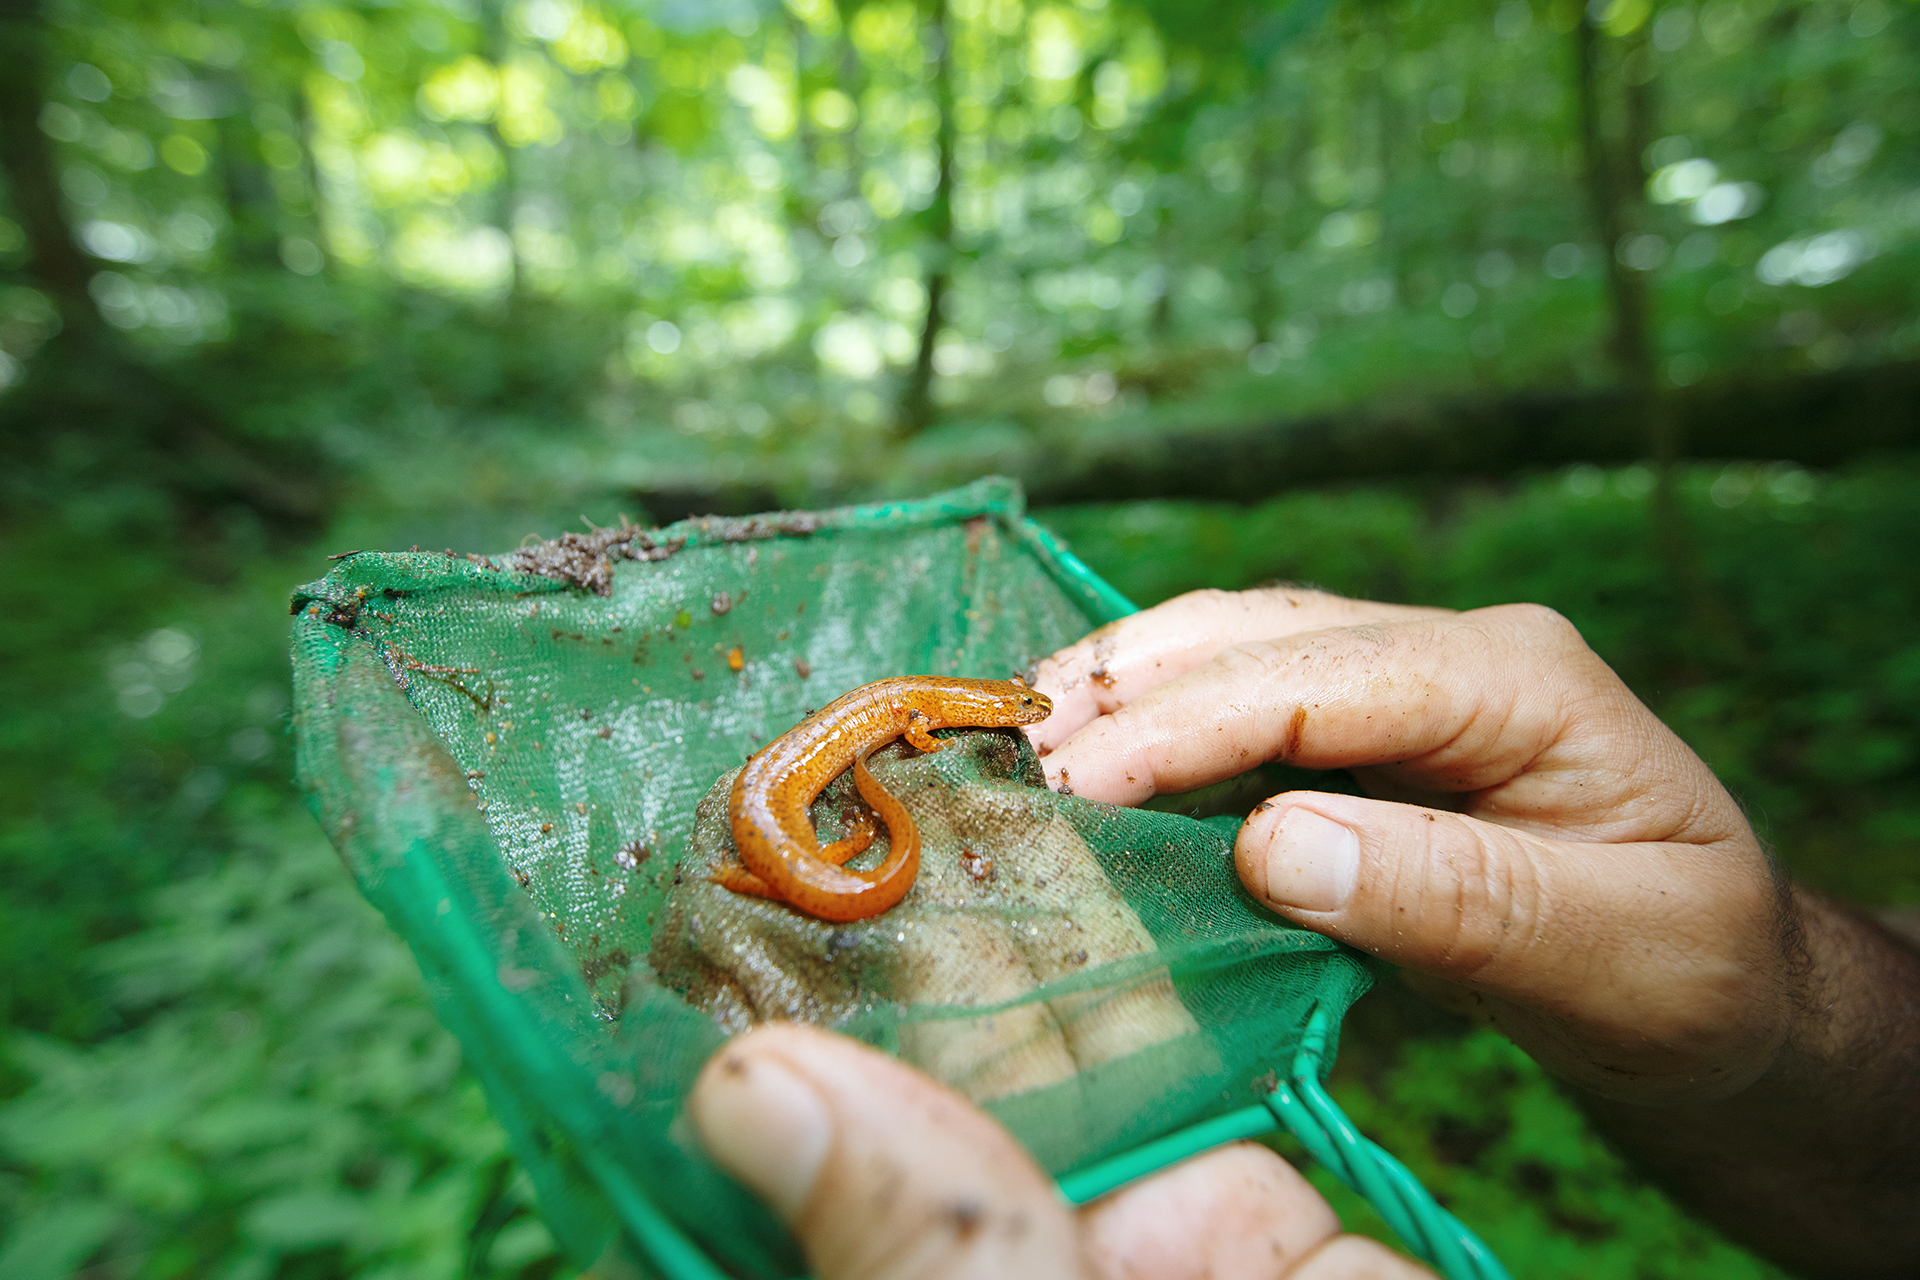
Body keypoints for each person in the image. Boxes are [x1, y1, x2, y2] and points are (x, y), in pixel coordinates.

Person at [688, 589, 1920, 1280]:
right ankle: (831, 864)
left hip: (788, 833)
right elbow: (902, 739)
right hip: (784, 836)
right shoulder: (910, 718)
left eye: (1011, 708)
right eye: (1006, 709)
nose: (1017, 716)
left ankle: (829, 861)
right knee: (804, 847)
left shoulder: (909, 719)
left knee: (811, 846)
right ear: (954, 711)